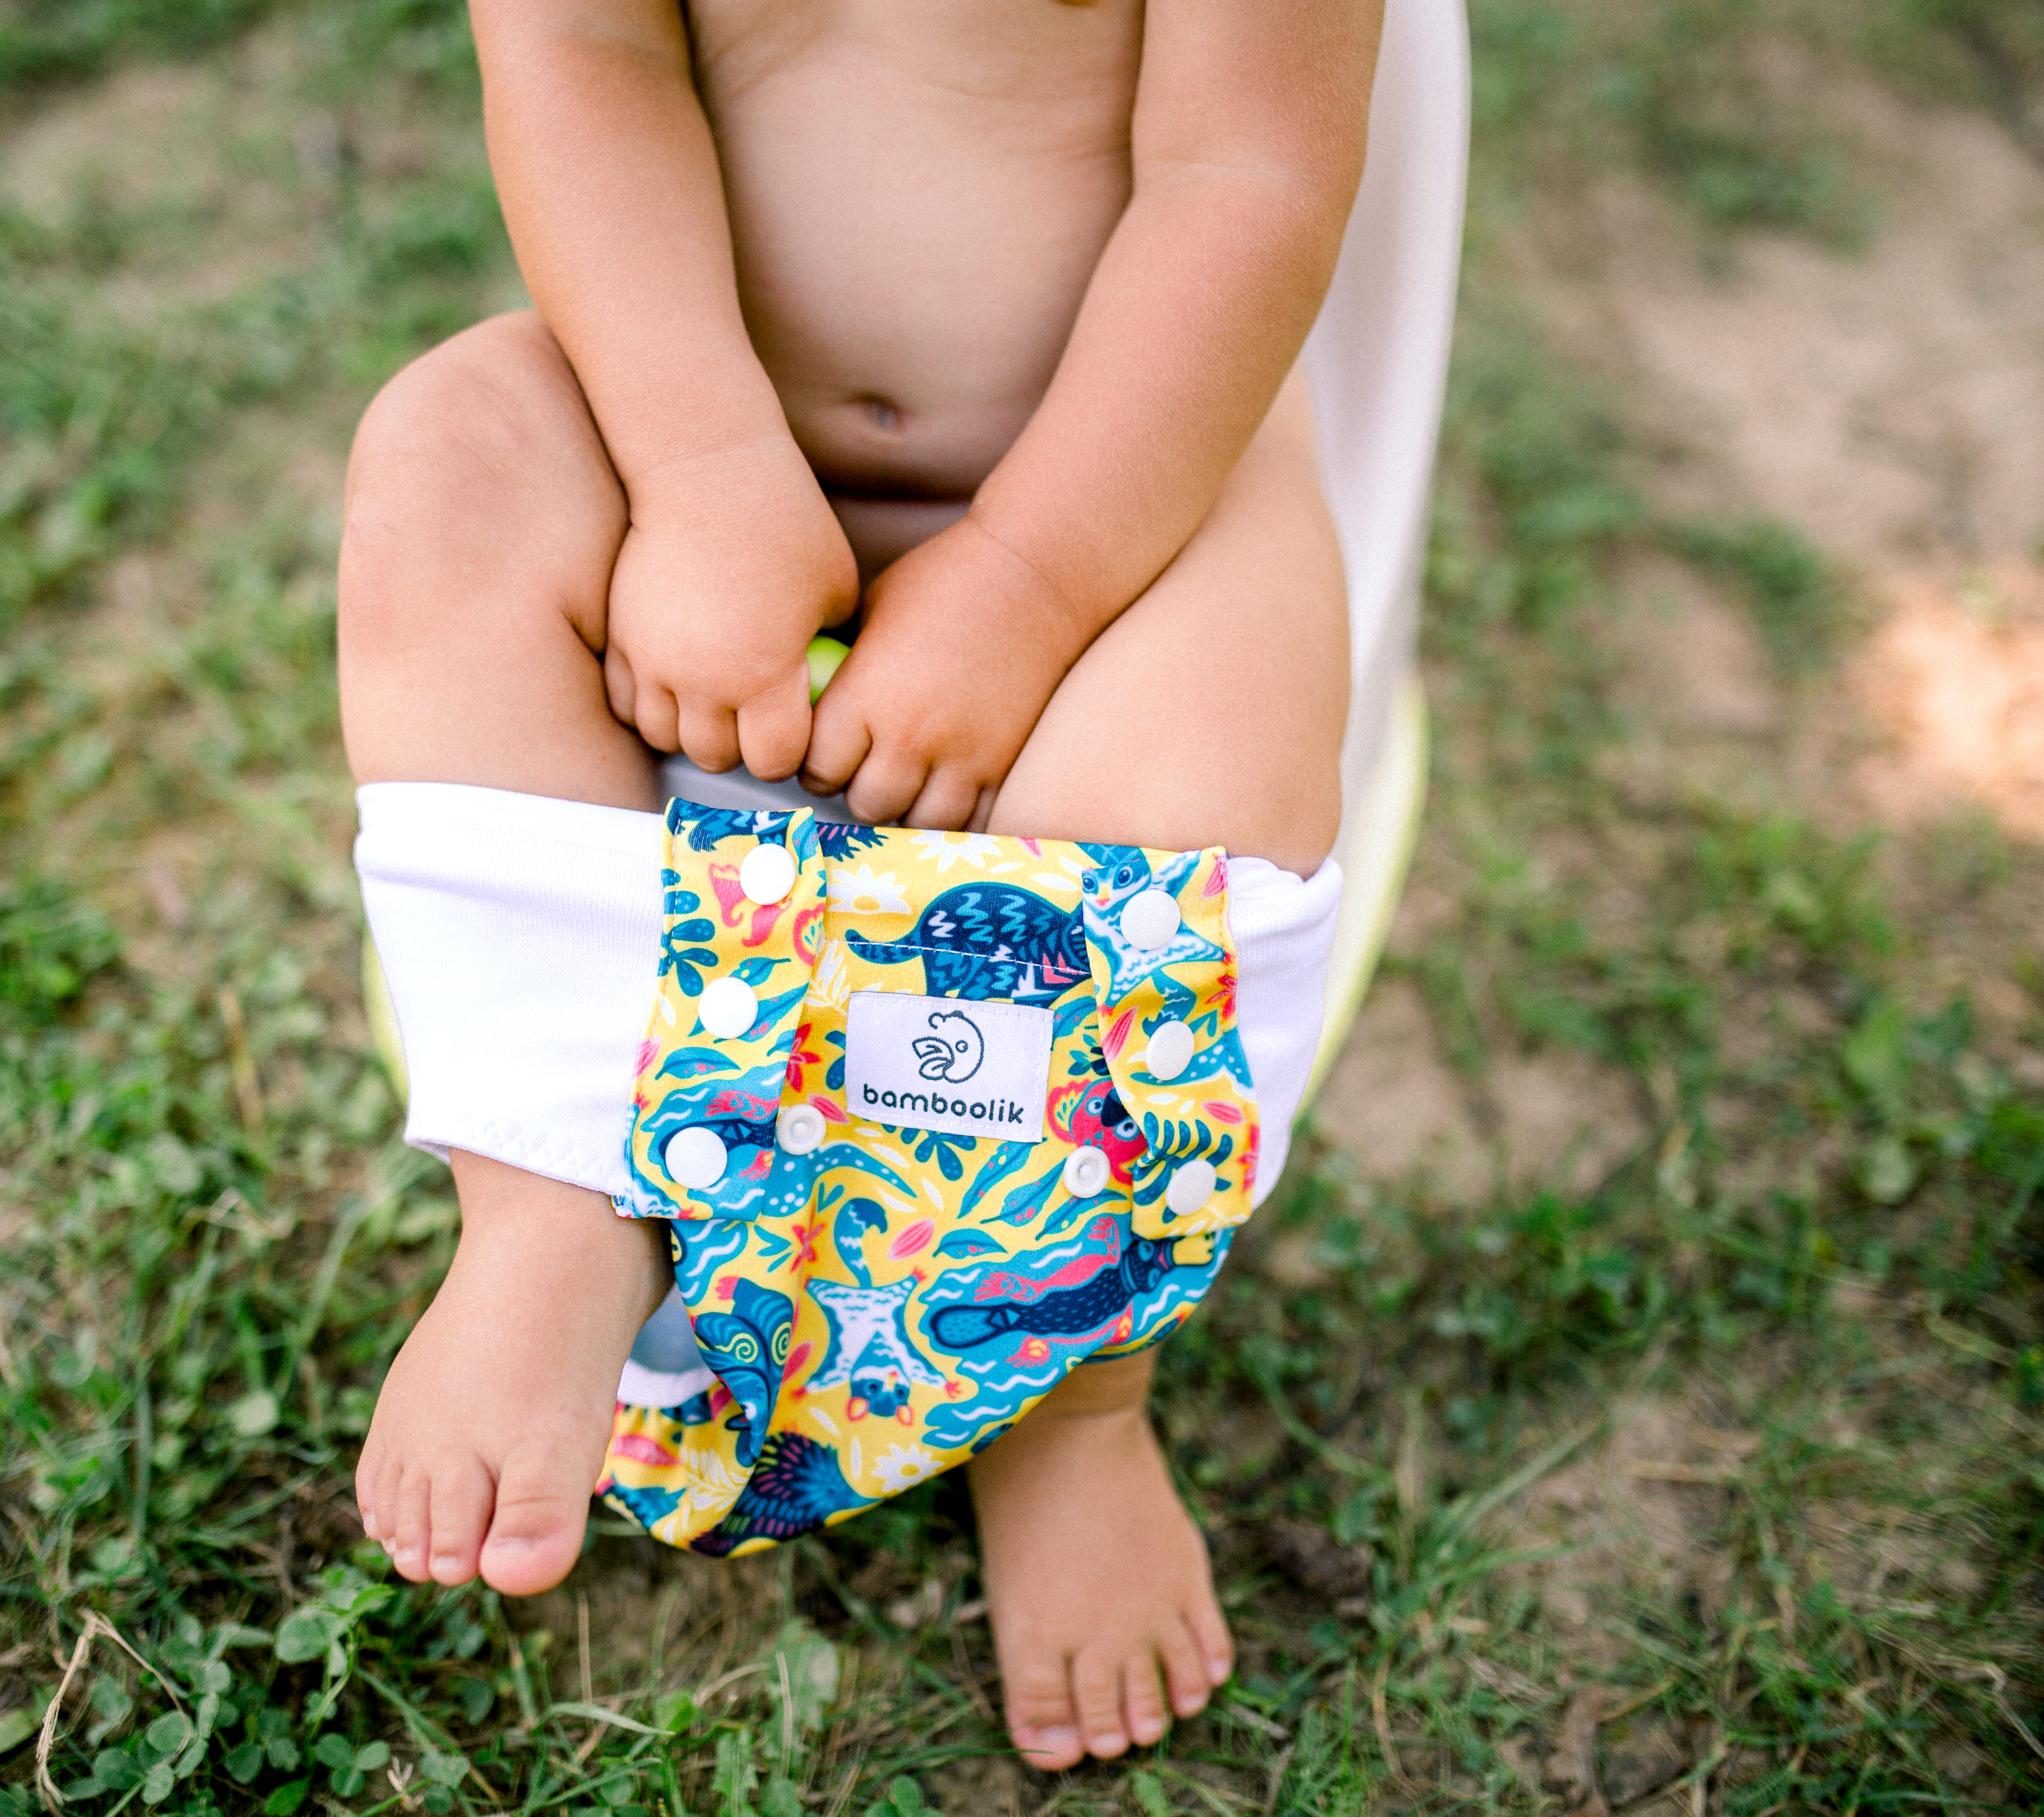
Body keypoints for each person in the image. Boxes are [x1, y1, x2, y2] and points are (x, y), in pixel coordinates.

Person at [338, 0, 1379, 1770]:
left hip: (1124, 492)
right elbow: (583, 60)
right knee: (454, 445)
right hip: (702, 436)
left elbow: (1247, 174)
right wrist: (703, 472)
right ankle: (556, 1206)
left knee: (1193, 770)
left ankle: (1071, 1403)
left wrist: (1036, 579)